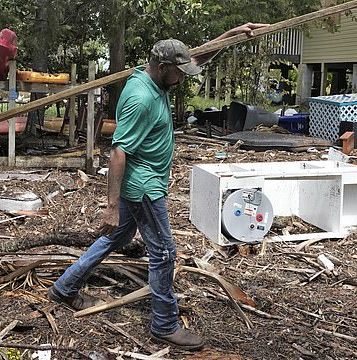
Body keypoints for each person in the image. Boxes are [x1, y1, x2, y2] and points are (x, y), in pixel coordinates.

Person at [48, 23, 268, 351]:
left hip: (145, 182)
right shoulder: (141, 98)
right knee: (164, 253)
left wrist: (235, 34)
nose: (183, 78)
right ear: (163, 68)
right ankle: (165, 324)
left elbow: (195, 55)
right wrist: (110, 205)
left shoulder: (153, 73)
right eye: (179, 73)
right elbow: (118, 152)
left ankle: (65, 287)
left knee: (117, 237)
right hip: (143, 188)